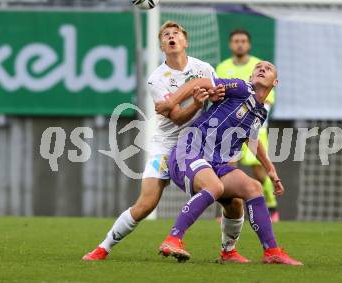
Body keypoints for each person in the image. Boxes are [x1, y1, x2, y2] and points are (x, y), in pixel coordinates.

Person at [82, 21, 249, 263]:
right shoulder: (156, 79)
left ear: (185, 42)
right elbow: (178, 116)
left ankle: (228, 252)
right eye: (166, 35)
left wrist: (215, 96)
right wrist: (196, 103)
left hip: (199, 146)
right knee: (146, 204)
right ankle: (103, 248)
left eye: (176, 34)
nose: (171, 37)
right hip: (167, 144)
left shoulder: (203, 68)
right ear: (162, 46)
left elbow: (218, 97)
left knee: (232, 201)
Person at [155, 61, 302, 265]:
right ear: (250, 77)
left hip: (216, 162)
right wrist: (172, 103)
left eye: (268, 69)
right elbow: (201, 82)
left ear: (275, 82)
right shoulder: (241, 88)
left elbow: (251, 140)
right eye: (258, 67)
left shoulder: (260, 112)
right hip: (189, 151)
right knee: (215, 186)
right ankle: (172, 239)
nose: (261, 69)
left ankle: (264, 252)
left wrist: (271, 171)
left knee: (251, 189)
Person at [216, 29, 278, 222]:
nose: (240, 44)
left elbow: (267, 99)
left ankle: (271, 204)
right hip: (230, 127)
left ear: (249, 44)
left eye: (243, 41)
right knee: (229, 168)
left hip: (253, 125)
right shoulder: (223, 67)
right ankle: (228, 210)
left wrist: (256, 123)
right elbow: (220, 95)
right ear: (230, 45)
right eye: (236, 41)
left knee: (259, 170)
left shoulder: (259, 66)